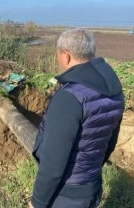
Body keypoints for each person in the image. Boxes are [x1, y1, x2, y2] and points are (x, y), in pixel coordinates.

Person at [29, 28, 125, 208]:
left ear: (66, 55)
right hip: (92, 187)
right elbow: (110, 143)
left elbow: (53, 162)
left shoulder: (69, 97)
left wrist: (38, 202)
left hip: (66, 195)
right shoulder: (115, 90)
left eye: (58, 55)